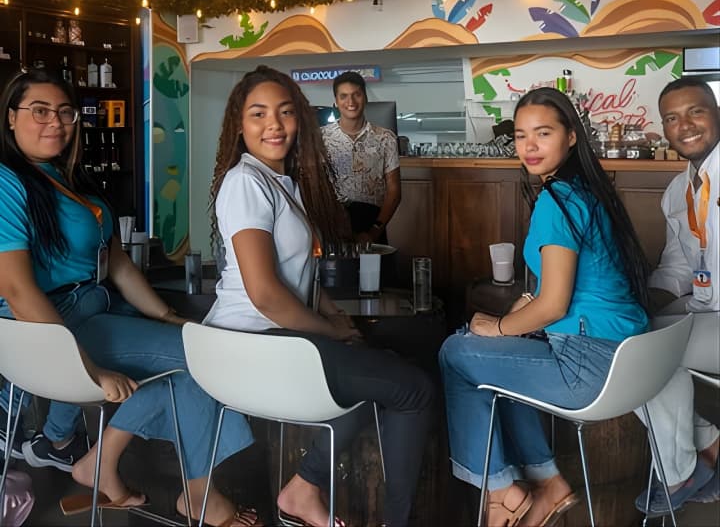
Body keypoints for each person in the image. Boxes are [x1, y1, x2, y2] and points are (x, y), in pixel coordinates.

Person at [0, 69, 259, 527]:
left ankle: (97, 461)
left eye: (64, 112)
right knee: (204, 362)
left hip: (94, 311)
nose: (55, 122)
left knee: (194, 358)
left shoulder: (69, 179)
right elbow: (18, 292)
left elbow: (117, 264)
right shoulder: (7, 182)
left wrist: (167, 315)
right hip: (53, 327)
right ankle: (192, 492)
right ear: (10, 117)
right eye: (39, 111)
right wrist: (88, 369)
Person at [204, 65, 433, 527]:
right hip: (253, 344)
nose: (274, 125)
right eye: (258, 114)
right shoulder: (246, 182)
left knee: (384, 363)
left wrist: (333, 317)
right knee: (414, 390)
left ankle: (304, 489)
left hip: (276, 341)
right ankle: (335, 498)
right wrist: (330, 329)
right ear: (239, 125)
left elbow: (299, 275)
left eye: (285, 112)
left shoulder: (281, 182)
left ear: (301, 120)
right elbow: (266, 295)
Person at [440, 87, 650, 527]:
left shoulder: (557, 202)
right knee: (494, 359)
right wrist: (515, 321)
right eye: (520, 136)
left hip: (589, 366)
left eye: (543, 133)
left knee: (455, 352)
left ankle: (501, 490)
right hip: (629, 358)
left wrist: (499, 326)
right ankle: (545, 482)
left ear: (571, 136)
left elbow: (554, 305)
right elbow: (574, 285)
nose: (529, 146)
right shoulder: (589, 192)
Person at [634, 77, 719, 516]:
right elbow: (679, 268)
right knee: (624, 334)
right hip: (705, 307)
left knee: (645, 352)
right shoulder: (676, 193)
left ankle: (681, 470)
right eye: (672, 118)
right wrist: (639, 301)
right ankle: (705, 448)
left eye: (695, 111)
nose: (684, 125)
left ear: (717, 114)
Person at [321, 71, 400, 244]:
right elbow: (314, 186)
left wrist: (374, 231)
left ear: (365, 98)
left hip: (373, 222)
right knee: (338, 263)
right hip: (333, 223)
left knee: (373, 263)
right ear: (336, 101)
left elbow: (394, 191)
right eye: (343, 96)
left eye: (356, 94)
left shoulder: (385, 138)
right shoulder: (321, 138)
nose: (350, 102)